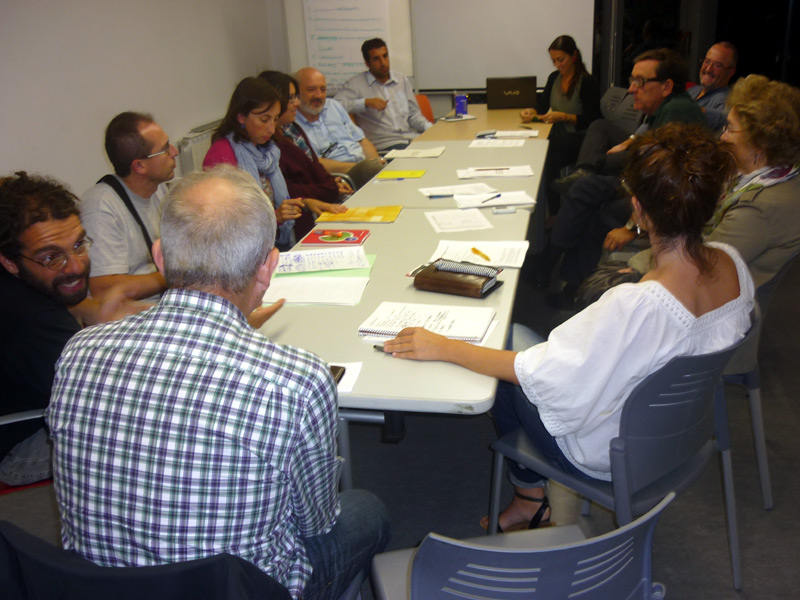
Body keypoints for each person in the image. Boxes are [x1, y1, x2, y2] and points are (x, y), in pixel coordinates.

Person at [381, 124, 753, 531]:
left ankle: (529, 498)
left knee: (509, 346)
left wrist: (444, 346)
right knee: (523, 347)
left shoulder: (637, 306)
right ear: (716, 201)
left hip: (607, 456)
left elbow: (538, 375)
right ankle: (529, 500)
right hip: (680, 438)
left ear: (638, 210)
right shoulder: (733, 263)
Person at [47, 165, 390, 600]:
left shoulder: (78, 352)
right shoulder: (297, 379)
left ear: (160, 257)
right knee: (367, 510)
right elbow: (317, 522)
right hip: (238, 591)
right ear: (268, 268)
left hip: (98, 586)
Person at [0, 172, 144, 488]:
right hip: (18, 445)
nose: (76, 266)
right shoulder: (31, 318)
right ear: (10, 262)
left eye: (78, 244)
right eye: (52, 257)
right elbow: (110, 400)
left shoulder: (22, 285)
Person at [628, 75, 800, 291]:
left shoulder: (761, 207)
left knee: (618, 278)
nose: (722, 137)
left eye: (729, 128)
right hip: (710, 282)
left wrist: (637, 268)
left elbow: (698, 264)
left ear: (759, 143)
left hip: (726, 308)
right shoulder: (763, 176)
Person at [553, 48, 705, 187]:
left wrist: (626, 149)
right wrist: (632, 140)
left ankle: (583, 177)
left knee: (599, 164)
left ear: (666, 87)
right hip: (649, 154)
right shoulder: (664, 105)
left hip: (660, 177)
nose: (631, 89)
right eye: (632, 81)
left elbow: (659, 160)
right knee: (600, 126)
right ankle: (584, 172)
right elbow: (652, 138)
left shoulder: (677, 109)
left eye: (639, 82)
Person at [82, 112, 179, 300]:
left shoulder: (157, 189)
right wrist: (177, 276)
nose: (174, 152)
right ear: (139, 166)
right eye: (165, 149)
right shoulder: (101, 207)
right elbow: (103, 289)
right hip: (134, 318)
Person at [258, 70, 349, 239]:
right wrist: (328, 188)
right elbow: (290, 189)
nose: (296, 103)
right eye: (291, 98)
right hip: (307, 215)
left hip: (324, 197)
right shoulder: (271, 143)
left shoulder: (292, 128)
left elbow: (315, 167)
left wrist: (330, 185)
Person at [519, 35, 601, 214]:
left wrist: (564, 117)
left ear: (574, 56)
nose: (557, 65)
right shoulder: (554, 78)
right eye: (554, 60)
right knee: (539, 143)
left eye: (561, 60)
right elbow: (541, 107)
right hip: (560, 133)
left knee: (549, 150)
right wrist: (531, 113)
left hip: (582, 138)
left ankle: (554, 210)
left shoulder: (586, 82)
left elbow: (593, 121)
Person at [334, 38, 432, 152]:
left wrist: (429, 128)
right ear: (367, 63)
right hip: (386, 145)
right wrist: (365, 102)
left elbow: (413, 115)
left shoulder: (401, 80)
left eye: (385, 56)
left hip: (410, 139)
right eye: (376, 59)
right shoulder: (355, 84)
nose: (383, 63)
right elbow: (334, 105)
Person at [295, 67, 385, 189]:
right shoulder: (292, 124)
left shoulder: (333, 106)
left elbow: (362, 141)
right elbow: (314, 164)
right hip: (340, 177)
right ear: (296, 93)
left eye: (323, 89)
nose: (319, 95)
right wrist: (361, 168)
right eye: (311, 90)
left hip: (364, 168)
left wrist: (377, 162)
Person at [688, 42, 738, 131]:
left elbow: (725, 119)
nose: (708, 69)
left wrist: (686, 109)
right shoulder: (693, 90)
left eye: (717, 66)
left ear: (730, 73)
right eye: (707, 62)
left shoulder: (726, 100)